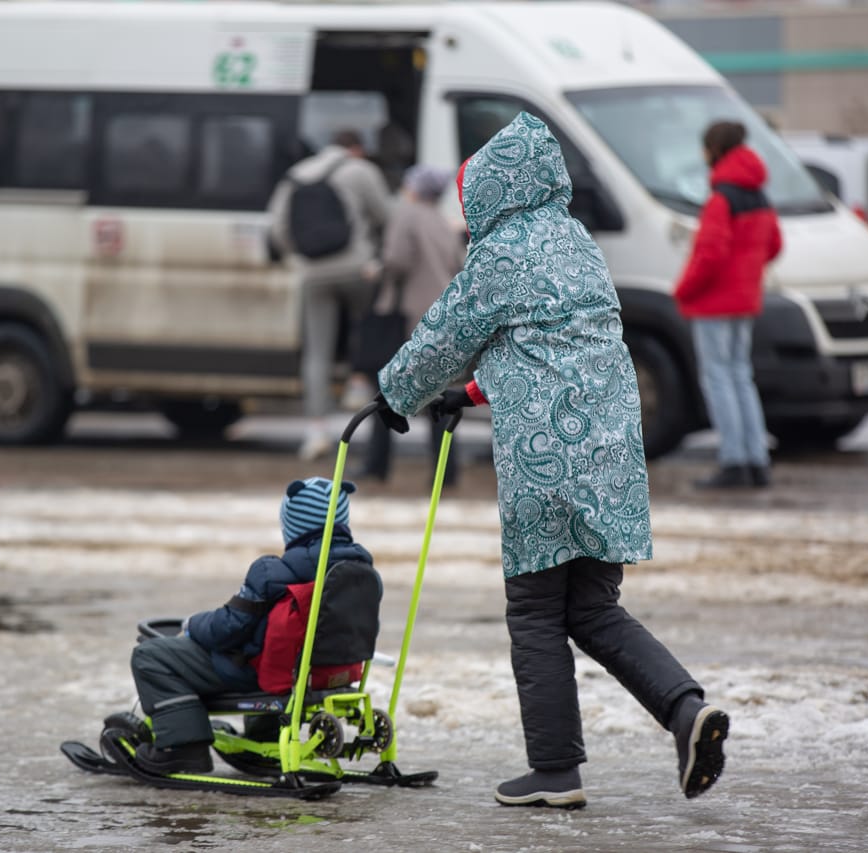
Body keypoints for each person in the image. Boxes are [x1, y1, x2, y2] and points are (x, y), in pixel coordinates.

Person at [374, 112, 730, 809]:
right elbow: (551, 344)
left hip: (547, 458)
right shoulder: (577, 242)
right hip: (609, 454)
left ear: (494, 189)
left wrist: (394, 393)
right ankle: (686, 710)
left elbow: (448, 330)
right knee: (593, 606)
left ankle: (554, 770)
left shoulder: (502, 251)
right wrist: (474, 392)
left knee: (535, 608)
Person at [128, 477, 372, 775]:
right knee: (268, 649)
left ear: (293, 524)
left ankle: (182, 747)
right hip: (325, 675)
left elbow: (228, 627)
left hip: (272, 677)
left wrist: (192, 624)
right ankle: (263, 736)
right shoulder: (359, 571)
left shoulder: (273, 572)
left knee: (150, 655)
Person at [268, 130, 393, 461]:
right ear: (357, 148)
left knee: (317, 351)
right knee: (365, 326)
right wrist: (375, 255)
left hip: (313, 273)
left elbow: (278, 229)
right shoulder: (361, 171)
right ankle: (357, 383)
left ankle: (316, 430)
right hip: (357, 269)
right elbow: (386, 217)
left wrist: (303, 256)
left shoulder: (297, 175)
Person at [674, 120, 783, 489]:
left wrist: (683, 290)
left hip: (713, 303)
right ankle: (756, 459)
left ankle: (734, 461)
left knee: (719, 379)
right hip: (745, 300)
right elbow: (774, 245)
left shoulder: (720, 197)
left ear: (714, 150)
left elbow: (709, 254)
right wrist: (747, 270)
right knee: (740, 376)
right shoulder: (759, 195)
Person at [359, 164, 467, 484]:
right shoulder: (442, 221)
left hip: (405, 315)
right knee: (436, 395)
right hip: (438, 317)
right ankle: (446, 473)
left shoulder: (406, 215)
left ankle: (376, 464)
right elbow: (459, 264)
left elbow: (398, 260)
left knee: (385, 389)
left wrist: (376, 270)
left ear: (414, 188)